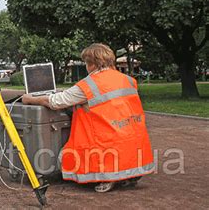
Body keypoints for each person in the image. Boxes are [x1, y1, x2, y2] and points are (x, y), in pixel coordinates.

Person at [23, 43, 154, 192]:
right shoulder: (127, 80)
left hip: (106, 142)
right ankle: (130, 174)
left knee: (64, 157)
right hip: (132, 138)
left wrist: (29, 99)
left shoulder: (89, 85)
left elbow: (55, 102)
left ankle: (106, 177)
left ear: (91, 64)